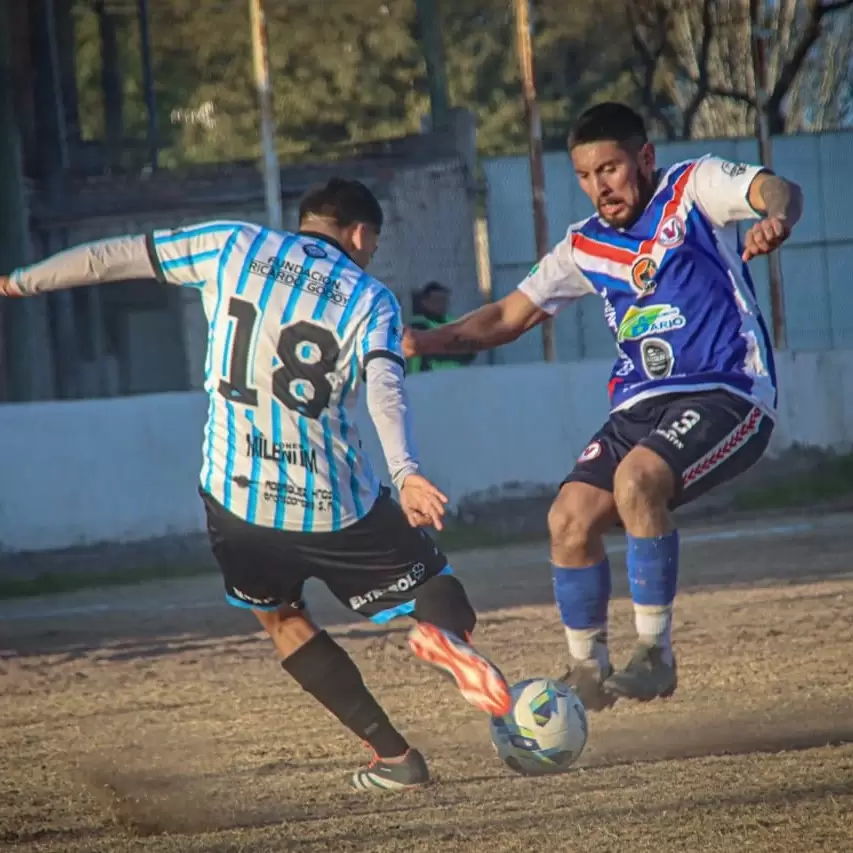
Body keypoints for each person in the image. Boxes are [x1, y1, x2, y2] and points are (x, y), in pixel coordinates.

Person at [0, 177, 512, 791]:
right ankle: (443, 636)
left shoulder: (232, 245)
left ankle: (395, 758)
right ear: (359, 233)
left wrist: (19, 281)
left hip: (237, 500)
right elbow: (384, 387)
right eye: (373, 245)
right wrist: (404, 471)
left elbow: (113, 257)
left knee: (281, 617)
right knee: (433, 585)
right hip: (333, 502)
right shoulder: (370, 297)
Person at [403, 102, 803, 712]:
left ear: (644, 158)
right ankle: (587, 671)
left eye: (610, 169)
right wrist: (423, 341)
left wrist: (775, 217)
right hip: (638, 408)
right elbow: (507, 317)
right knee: (568, 518)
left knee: (637, 481)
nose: (599, 187)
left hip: (727, 391)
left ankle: (655, 655)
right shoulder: (584, 245)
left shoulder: (692, 189)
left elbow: (777, 187)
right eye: (586, 176)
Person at [407, 281, 476, 373]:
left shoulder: (455, 323)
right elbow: (431, 351)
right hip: (424, 377)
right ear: (425, 302)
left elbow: (471, 351)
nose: (441, 304)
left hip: (454, 377)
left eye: (444, 300)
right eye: (436, 300)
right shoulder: (417, 325)